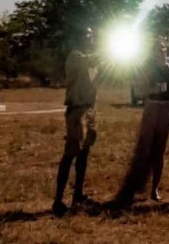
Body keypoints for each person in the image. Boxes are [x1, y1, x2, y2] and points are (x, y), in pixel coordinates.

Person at [111, 39, 169, 207]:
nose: (160, 52)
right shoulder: (147, 69)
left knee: (160, 151)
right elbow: (141, 90)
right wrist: (154, 89)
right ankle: (135, 186)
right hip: (151, 108)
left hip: (164, 109)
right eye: (157, 49)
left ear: (166, 50)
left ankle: (155, 188)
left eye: (162, 48)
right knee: (145, 149)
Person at [53, 27, 100, 215]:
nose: (90, 38)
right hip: (77, 110)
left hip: (89, 109)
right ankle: (58, 200)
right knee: (70, 154)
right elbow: (93, 60)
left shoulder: (91, 59)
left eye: (91, 35)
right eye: (86, 35)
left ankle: (78, 194)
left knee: (84, 153)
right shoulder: (76, 56)